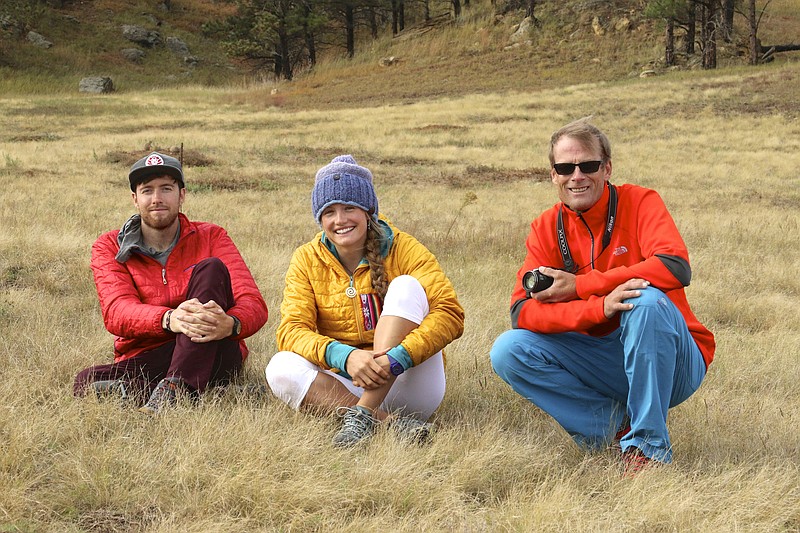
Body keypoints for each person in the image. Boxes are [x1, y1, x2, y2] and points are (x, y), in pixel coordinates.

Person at [490, 118, 715, 474]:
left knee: (643, 301)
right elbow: (521, 313)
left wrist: (581, 286)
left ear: (606, 168)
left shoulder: (641, 201)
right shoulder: (546, 227)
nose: (576, 176)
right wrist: (598, 308)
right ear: (553, 175)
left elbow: (675, 267)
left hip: (673, 364)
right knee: (508, 350)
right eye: (565, 167)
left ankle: (649, 449)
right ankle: (617, 430)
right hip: (603, 360)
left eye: (588, 165)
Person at [266, 155, 464, 447]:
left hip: (408, 381)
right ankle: (389, 425)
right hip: (350, 380)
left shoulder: (403, 247)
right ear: (319, 219)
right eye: (329, 211)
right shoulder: (306, 258)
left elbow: (450, 313)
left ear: (369, 210)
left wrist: (396, 359)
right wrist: (344, 357)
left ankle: (362, 414)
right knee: (279, 367)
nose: (340, 220)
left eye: (349, 208)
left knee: (407, 287)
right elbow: (292, 330)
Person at [74, 151, 268, 414]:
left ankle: (174, 390)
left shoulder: (212, 236)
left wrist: (231, 324)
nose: (157, 199)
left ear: (182, 195)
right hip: (152, 353)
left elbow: (253, 302)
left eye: (166, 189)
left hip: (214, 344)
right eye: (147, 190)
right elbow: (116, 311)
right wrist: (169, 319)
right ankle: (212, 391)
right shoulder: (109, 245)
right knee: (85, 382)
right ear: (135, 199)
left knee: (211, 268)